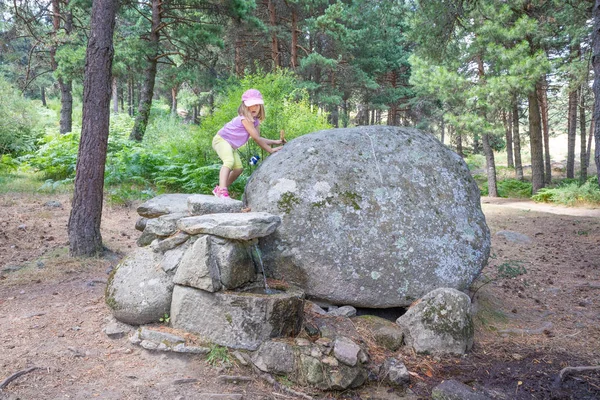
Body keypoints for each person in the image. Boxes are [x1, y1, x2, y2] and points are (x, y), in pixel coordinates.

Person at [211, 89, 283, 198]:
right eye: (250, 105)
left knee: (238, 169)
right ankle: (222, 190)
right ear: (245, 107)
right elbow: (256, 138)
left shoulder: (255, 122)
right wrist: (270, 150)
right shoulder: (244, 119)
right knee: (229, 161)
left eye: (256, 105)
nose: (253, 108)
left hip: (230, 146)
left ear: (260, 107)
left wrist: (275, 142)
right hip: (221, 140)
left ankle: (219, 188)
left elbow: (258, 138)